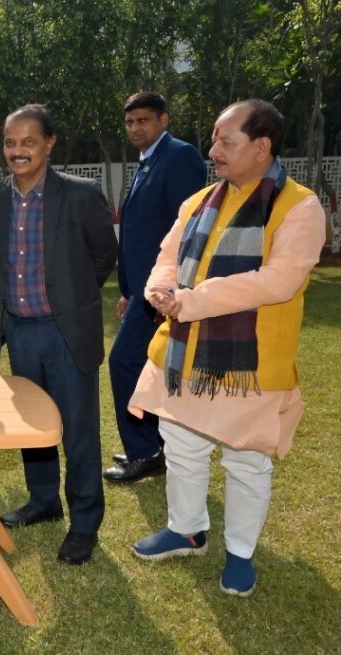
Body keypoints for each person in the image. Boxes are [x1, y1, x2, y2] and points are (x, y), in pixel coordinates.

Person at [129, 100, 325, 597]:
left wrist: (192, 300)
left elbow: (278, 281)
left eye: (226, 141)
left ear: (262, 147)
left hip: (249, 363)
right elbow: (167, 256)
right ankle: (186, 529)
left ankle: (240, 553)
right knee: (181, 445)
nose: (213, 149)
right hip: (183, 353)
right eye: (214, 139)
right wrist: (160, 289)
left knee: (246, 460)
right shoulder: (198, 202)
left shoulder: (299, 206)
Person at [0, 104, 118, 565]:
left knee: (77, 430)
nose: (18, 151)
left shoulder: (81, 195)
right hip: (20, 331)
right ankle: (43, 501)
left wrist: (71, 298)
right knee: (33, 426)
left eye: (28, 142)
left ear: (50, 143)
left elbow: (104, 256)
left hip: (66, 333)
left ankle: (85, 523)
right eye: (10, 143)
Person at [104, 92, 207, 484]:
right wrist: (129, 290)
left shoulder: (179, 156)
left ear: (163, 120)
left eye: (143, 120)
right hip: (143, 291)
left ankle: (144, 450)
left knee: (123, 361)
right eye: (130, 122)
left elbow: (187, 229)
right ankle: (155, 445)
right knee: (147, 364)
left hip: (164, 290)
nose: (135, 128)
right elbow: (139, 231)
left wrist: (171, 288)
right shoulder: (147, 161)